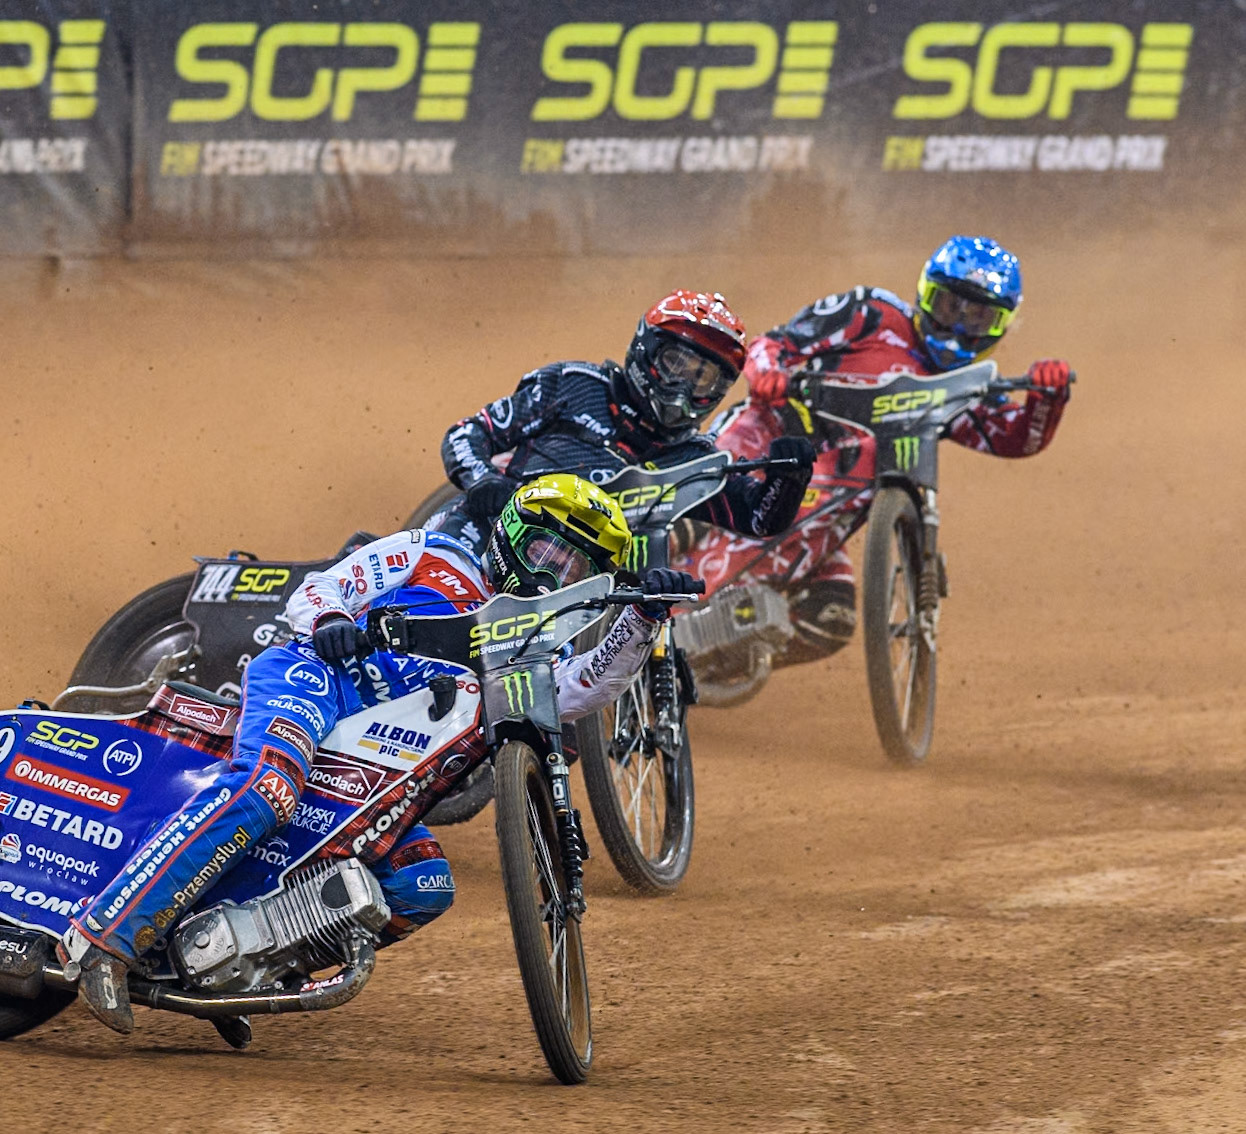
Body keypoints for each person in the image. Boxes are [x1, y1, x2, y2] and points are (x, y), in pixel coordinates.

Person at [60, 475, 696, 1033]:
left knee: (422, 886)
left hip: (380, 770)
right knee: (267, 789)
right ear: (509, 534)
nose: (554, 573)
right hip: (316, 680)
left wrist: (642, 619)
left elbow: (584, 687)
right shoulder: (434, 553)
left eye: (575, 568)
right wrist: (333, 620)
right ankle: (103, 941)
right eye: (546, 549)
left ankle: (236, 972)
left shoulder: (531, 656)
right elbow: (321, 590)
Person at [710, 234, 1075, 664]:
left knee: (830, 619)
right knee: (701, 494)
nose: (957, 327)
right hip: (768, 440)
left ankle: (699, 674)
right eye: (947, 305)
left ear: (1002, 326)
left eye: (978, 317)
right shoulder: (871, 313)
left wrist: (1047, 399)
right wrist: (768, 376)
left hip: (826, 510)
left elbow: (1014, 438)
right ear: (923, 294)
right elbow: (772, 345)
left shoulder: (959, 390)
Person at [435, 288, 816, 555]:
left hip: (592, 598)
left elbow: (758, 518)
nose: (683, 384)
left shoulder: (693, 457)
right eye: (676, 363)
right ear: (644, 349)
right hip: (494, 541)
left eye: (703, 376)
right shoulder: (574, 385)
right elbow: (469, 433)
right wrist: (483, 480)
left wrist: (791, 479)